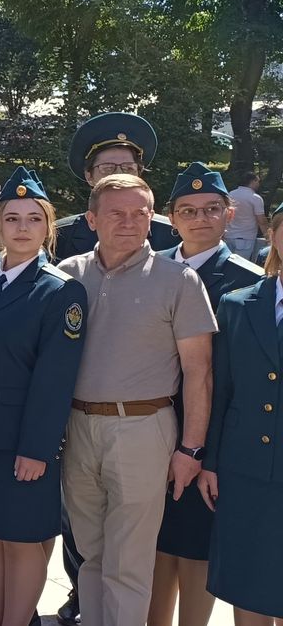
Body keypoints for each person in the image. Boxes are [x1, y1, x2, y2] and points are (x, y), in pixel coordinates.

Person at [57, 173, 216, 626]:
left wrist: (191, 448)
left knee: (129, 562)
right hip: (77, 428)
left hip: (143, 429)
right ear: (91, 219)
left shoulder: (178, 280)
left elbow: (198, 371)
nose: (129, 223)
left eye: (139, 214)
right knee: (89, 554)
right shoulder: (68, 276)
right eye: (116, 213)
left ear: (152, 218)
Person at [0, 166, 87, 626]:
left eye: (33, 218)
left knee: (24, 539)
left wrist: (37, 449)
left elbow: (54, 379)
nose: (22, 228)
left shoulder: (60, 291)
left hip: (21, 441)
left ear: (48, 225)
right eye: (12, 218)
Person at [146, 163, 264, 626]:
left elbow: (236, 377)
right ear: (171, 218)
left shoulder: (245, 282)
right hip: (148, 424)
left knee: (196, 545)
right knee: (152, 543)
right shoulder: (150, 267)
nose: (201, 218)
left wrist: (206, 450)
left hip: (207, 432)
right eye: (188, 210)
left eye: (212, 209)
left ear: (230, 213)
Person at [200, 211, 283, 626]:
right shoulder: (238, 304)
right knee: (247, 577)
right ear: (274, 235)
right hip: (245, 466)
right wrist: (210, 461)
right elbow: (222, 391)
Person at [53, 112, 181, 260]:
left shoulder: (172, 235)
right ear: (89, 176)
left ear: (139, 173)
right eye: (108, 168)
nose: (119, 174)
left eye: (128, 167)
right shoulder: (60, 238)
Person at [222, 171, 266, 261]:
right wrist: (268, 237)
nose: (258, 184)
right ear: (253, 181)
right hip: (246, 238)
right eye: (258, 181)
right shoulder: (255, 198)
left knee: (226, 265)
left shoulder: (230, 194)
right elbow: (261, 221)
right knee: (241, 267)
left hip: (228, 236)